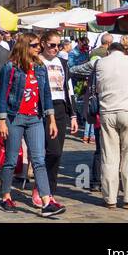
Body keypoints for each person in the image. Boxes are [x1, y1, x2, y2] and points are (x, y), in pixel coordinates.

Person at [0, 33, 65, 217]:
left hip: (35, 118)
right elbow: (2, 95)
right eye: (34, 45)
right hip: (14, 117)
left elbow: (47, 95)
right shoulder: (10, 68)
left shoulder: (41, 67)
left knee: (39, 160)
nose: (38, 48)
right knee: (10, 161)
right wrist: (1, 121)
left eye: (38, 46)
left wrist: (50, 119)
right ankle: (6, 196)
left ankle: (46, 201)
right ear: (25, 47)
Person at [92, 41, 128, 209]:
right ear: (124, 50)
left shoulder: (101, 63)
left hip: (108, 111)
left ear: (108, 51)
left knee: (109, 155)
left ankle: (110, 198)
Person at [38, 32, 78, 204]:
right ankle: (43, 188)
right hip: (41, 108)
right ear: (43, 44)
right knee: (46, 150)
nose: (55, 49)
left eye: (58, 45)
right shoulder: (37, 61)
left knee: (56, 152)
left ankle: (49, 190)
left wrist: (74, 115)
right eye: (52, 45)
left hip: (60, 107)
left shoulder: (63, 62)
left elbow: (69, 89)